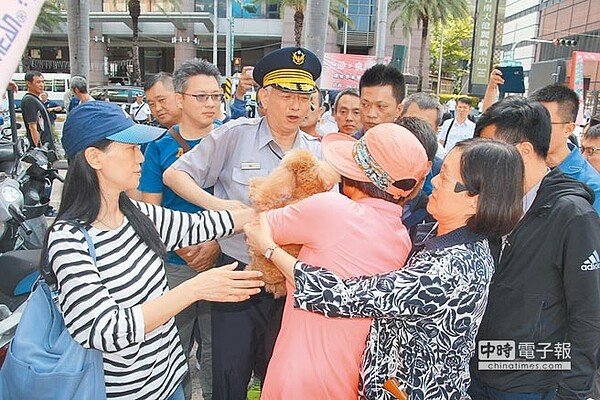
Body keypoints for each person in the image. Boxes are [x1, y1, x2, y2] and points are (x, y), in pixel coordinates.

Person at [245, 138, 525, 399]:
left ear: (473, 200)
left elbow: (344, 297)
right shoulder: (449, 243)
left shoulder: (451, 267)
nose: (435, 181)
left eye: (447, 177)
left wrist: (270, 248)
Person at [47, 100, 264, 400]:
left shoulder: (136, 214)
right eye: (130, 149)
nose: (140, 157)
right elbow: (103, 330)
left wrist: (275, 211)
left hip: (168, 381)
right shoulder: (68, 240)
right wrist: (196, 288)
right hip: (123, 391)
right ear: (94, 157)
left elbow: (206, 224)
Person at [163, 46, 322, 400]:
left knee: (278, 378)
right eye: (286, 94)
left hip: (290, 282)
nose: (296, 105)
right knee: (228, 377)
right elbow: (176, 174)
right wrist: (220, 207)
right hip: (237, 276)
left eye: (304, 95)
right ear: (264, 96)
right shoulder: (234, 135)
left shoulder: (317, 152)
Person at [256, 123, 429, 399]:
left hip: (299, 374)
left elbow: (259, 224)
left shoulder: (331, 209)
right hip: (353, 378)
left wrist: (268, 248)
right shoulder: (401, 239)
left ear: (353, 174)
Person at [471, 96, 600, 399]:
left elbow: (588, 313)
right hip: (478, 372)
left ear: (524, 151)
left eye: (489, 152)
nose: (480, 162)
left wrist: (573, 392)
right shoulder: (492, 202)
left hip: (532, 383)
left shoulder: (572, 214)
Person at [140, 59, 224, 400]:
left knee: (218, 349)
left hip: (224, 261)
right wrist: (180, 249)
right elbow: (149, 211)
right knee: (174, 346)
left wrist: (216, 243)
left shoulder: (234, 138)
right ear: (180, 98)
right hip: (174, 265)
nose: (210, 104)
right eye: (201, 96)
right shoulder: (158, 148)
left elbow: (249, 201)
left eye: (216, 96)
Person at [529, 84, 600, 213]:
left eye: (544, 123)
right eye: (531, 122)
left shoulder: (592, 187)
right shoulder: (520, 168)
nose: (534, 130)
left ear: (568, 129)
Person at [354, 63, 406, 139]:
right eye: (365, 105)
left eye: (381, 106)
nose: (371, 114)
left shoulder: (408, 148)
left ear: (398, 110)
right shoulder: (348, 146)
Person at [21, 70, 55, 151]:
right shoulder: (30, 100)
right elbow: (32, 127)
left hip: (46, 145)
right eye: (38, 82)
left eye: (43, 82)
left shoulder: (36, 99)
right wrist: (39, 149)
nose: (42, 85)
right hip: (40, 148)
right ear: (28, 83)